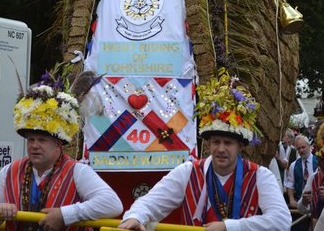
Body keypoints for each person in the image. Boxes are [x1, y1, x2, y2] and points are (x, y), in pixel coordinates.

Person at [118, 67, 292, 230]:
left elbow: (282, 220)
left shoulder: (260, 175)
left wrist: (228, 227)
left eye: (228, 143)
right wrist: (136, 216)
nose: (221, 149)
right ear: (209, 144)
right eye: (216, 142)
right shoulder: (188, 172)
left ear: (240, 146)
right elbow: (151, 202)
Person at [0, 71, 123, 230]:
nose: (34, 145)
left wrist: (66, 215)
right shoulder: (9, 171)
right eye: (31, 140)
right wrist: (1, 209)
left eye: (42, 140)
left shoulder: (78, 171)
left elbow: (112, 204)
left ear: (58, 144)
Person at [297, 120, 324, 229]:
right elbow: (301, 209)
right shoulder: (314, 178)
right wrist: (304, 201)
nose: (321, 167)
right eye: (319, 162)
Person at [286, 134, 318, 209]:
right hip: (300, 204)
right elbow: (290, 184)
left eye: (303, 147)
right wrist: (291, 199)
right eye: (298, 148)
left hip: (317, 203)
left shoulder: (318, 162)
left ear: (309, 146)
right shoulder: (293, 165)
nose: (301, 150)